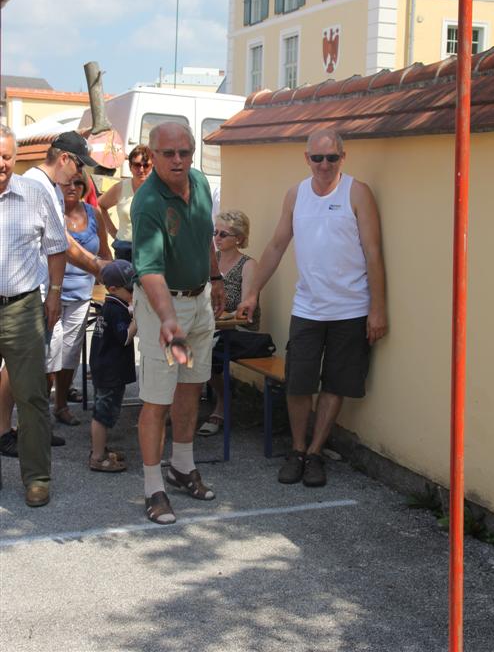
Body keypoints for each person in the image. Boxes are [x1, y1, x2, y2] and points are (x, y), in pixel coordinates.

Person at [238, 128, 388, 488]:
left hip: (351, 309)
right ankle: (298, 450)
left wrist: (378, 309)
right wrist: (253, 291)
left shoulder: (357, 192)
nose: (324, 165)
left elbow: (373, 253)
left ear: (342, 157)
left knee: (336, 385)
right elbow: (275, 246)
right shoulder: (296, 195)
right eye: (317, 158)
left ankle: (316, 453)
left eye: (331, 158)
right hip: (307, 308)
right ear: (307, 158)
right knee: (298, 384)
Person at [131, 121, 225, 525]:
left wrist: (217, 277)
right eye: (168, 153)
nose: (178, 160)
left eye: (185, 152)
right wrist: (169, 319)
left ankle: (182, 466)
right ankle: (154, 487)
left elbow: (206, 236)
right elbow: (149, 270)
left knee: (192, 389)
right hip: (162, 308)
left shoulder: (200, 182)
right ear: (152, 156)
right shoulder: (147, 201)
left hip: (200, 300)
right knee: (157, 400)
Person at [0, 130, 109, 457]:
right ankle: (6, 430)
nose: (80, 174)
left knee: (37, 368)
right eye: (79, 166)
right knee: (15, 370)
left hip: (39, 294)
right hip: (26, 297)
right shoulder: (37, 185)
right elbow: (64, 245)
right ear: (64, 158)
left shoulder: (46, 186)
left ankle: (29, 429)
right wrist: (101, 268)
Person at [0, 126, 67, 507]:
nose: (2, 163)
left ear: (15, 158)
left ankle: (37, 478)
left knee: (31, 396)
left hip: (22, 307)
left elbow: (56, 247)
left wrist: (54, 293)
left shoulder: (33, 193)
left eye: (7, 156)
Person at [53, 171, 112, 426]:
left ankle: (61, 404)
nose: (73, 186)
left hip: (81, 295)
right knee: (48, 353)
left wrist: (114, 283)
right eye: (69, 181)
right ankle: (36, 413)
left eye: (79, 183)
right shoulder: (52, 210)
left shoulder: (93, 214)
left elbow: (104, 252)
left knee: (69, 353)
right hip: (50, 294)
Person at [197, 210, 260, 436]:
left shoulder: (248, 265)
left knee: (204, 353)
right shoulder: (211, 260)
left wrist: (223, 317)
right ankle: (179, 404)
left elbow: (246, 308)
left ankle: (222, 403)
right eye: (215, 233)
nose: (217, 238)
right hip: (209, 326)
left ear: (240, 239)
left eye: (224, 234)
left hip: (236, 329)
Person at [89, 260, 137, 473]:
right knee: (103, 414)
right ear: (113, 289)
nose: (134, 292)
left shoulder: (112, 305)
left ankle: (101, 449)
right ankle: (98, 457)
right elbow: (125, 337)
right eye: (131, 289)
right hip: (110, 371)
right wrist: (137, 317)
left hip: (105, 367)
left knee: (104, 411)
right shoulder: (116, 310)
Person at [98, 144, 152, 261]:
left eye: (146, 165)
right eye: (137, 165)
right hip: (124, 251)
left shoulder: (158, 190)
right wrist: (113, 232)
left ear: (152, 166)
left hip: (149, 251)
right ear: (130, 166)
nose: (141, 169)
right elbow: (100, 205)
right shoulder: (121, 187)